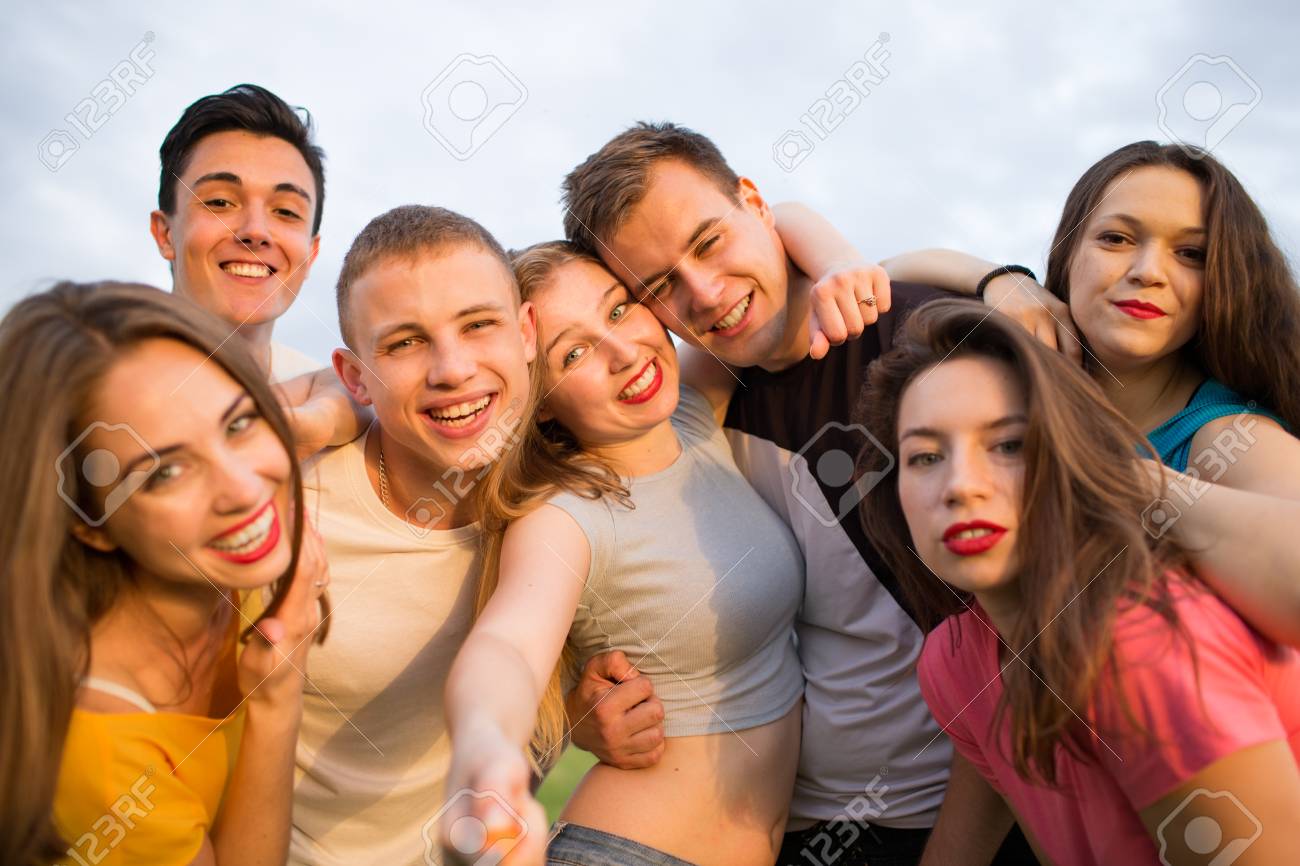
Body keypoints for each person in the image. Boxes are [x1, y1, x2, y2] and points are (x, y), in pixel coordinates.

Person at [560, 121, 1043, 864]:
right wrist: (577, 703)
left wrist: (1001, 278)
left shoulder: (931, 339)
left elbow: (1033, 619)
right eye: (658, 286)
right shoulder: (697, 408)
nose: (706, 294)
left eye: (708, 242)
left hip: (975, 808)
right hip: (800, 820)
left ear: (755, 203)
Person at [856, 297, 1300, 866]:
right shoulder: (956, 659)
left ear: (1070, 460)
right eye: (925, 457)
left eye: (1009, 445)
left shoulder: (1141, 644)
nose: (961, 485)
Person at [810, 141, 1300, 648]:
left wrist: (1110, 475)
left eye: (1191, 254)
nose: (1149, 271)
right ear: (1069, 252)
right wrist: (997, 279)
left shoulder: (1228, 437)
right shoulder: (1016, 375)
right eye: (1116, 238)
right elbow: (879, 277)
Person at [441, 241, 806, 866]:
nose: (622, 354)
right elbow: (508, 644)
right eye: (574, 353)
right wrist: (487, 750)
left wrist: (997, 284)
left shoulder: (690, 413)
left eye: (617, 310)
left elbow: (775, 292)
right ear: (540, 400)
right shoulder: (564, 516)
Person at [0, 281, 328, 866]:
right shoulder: (100, 756)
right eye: (165, 473)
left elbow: (341, 388)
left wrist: (335, 414)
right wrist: (277, 699)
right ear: (89, 523)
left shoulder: (222, 572)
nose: (245, 489)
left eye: (239, 424)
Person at [284, 205, 537, 865]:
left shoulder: (557, 496)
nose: (452, 369)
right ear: (353, 377)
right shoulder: (293, 507)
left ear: (528, 331)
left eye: (479, 325)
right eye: (405, 342)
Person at [150, 83, 364, 457]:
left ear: (311, 254)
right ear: (165, 233)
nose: (255, 231)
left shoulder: (334, 413)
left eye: (285, 211)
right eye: (219, 202)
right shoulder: (81, 378)